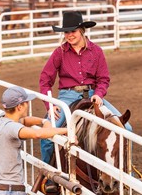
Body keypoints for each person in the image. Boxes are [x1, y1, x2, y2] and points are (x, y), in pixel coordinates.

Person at [39, 10, 132, 165]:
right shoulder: (59, 53)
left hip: (93, 95)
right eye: (66, 32)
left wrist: (99, 94)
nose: (69, 35)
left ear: (81, 30)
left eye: (73, 31)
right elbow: (45, 80)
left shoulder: (96, 51)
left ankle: (124, 171)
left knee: (126, 129)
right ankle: (48, 174)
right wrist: (50, 104)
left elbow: (103, 79)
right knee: (48, 135)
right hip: (67, 96)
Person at [0, 86, 67, 195]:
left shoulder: (1, 119)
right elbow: (36, 135)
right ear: (19, 106)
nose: (28, 104)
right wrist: (66, 131)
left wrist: (43, 120)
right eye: (26, 102)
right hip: (11, 194)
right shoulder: (12, 128)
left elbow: (24, 120)